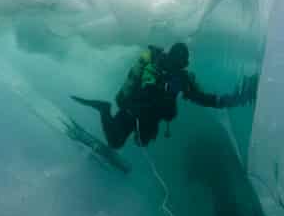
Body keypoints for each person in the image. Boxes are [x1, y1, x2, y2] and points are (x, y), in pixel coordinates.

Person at [72, 42, 257, 148]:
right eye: (183, 59)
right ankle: (104, 109)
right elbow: (201, 98)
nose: (183, 63)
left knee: (140, 140)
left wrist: (229, 100)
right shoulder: (168, 71)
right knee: (116, 142)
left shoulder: (174, 74)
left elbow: (201, 98)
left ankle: (110, 116)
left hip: (141, 113)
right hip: (134, 111)